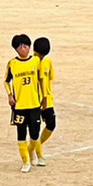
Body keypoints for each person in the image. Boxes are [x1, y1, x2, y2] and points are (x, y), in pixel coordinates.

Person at [6, 34, 43, 173]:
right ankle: (25, 161)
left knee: (35, 133)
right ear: (16, 49)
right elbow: (6, 81)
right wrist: (10, 95)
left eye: (26, 46)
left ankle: (31, 151)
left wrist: (44, 97)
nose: (24, 49)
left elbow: (42, 80)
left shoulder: (36, 61)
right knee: (21, 133)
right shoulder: (12, 64)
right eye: (20, 47)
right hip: (19, 106)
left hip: (34, 103)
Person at [33, 36, 56, 167]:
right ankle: (39, 155)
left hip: (47, 100)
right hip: (34, 101)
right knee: (34, 129)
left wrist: (46, 97)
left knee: (51, 124)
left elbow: (49, 79)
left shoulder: (47, 62)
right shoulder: (31, 62)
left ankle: (38, 145)